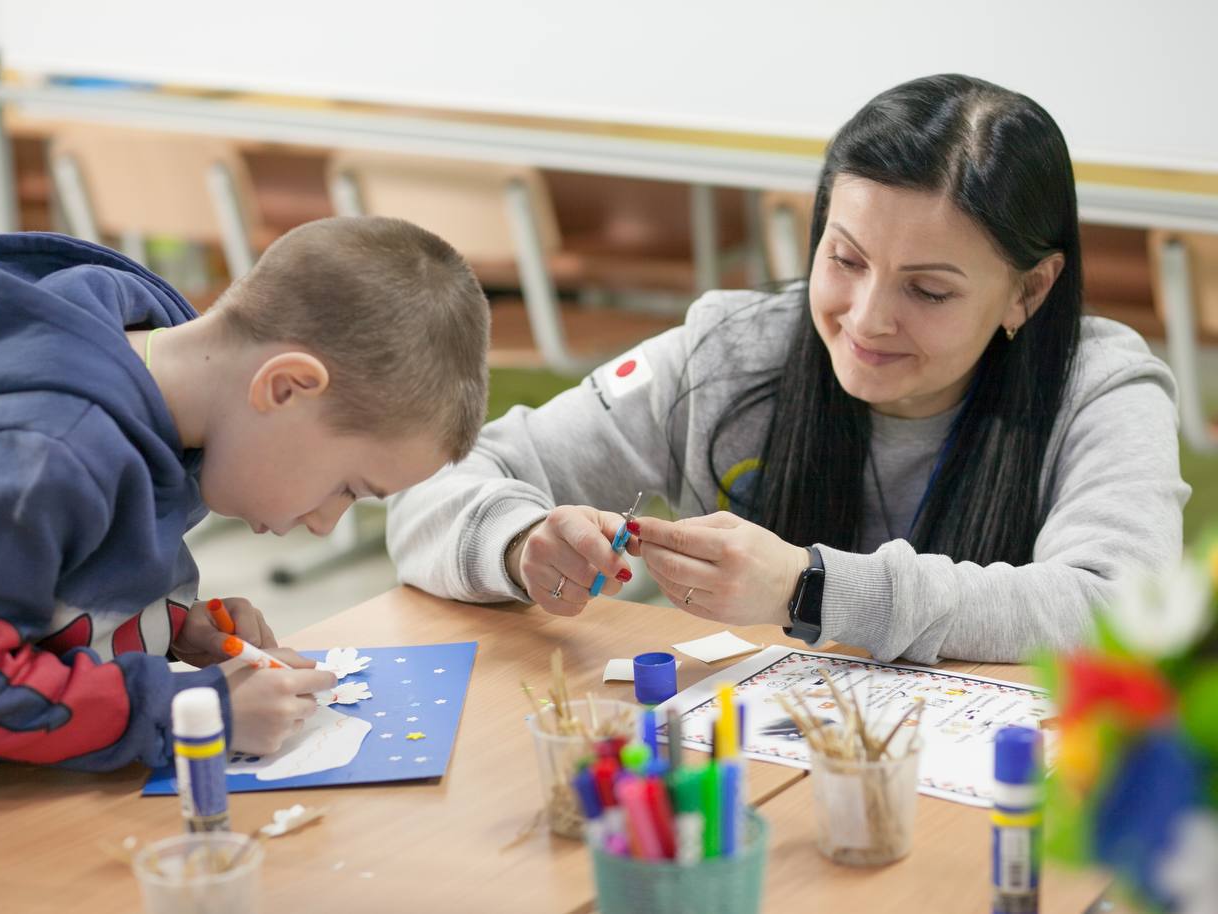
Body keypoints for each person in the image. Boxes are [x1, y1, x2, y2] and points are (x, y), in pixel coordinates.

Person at [386, 74, 1189, 665]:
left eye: (929, 290)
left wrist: (810, 588)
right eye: (844, 259)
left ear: (1030, 289)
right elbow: (429, 481)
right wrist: (520, 538)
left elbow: (1121, 612)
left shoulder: (1099, 386)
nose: (867, 317)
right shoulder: (730, 353)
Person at [0, 215, 489, 786]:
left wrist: (163, 626)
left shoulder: (178, 417)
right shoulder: (47, 448)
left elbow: (35, 594)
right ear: (284, 388)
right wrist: (194, 713)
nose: (326, 526)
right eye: (347, 488)